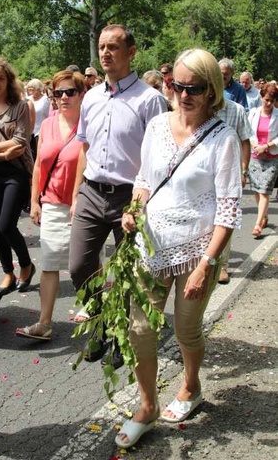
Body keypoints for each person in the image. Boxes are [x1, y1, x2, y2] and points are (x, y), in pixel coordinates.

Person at [116, 48, 242, 449]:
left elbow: (227, 210)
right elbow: (144, 179)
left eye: (195, 88)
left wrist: (207, 264)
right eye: (178, 85)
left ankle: (190, 386)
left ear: (212, 91)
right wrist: (133, 208)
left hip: (198, 248)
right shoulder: (155, 126)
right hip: (150, 243)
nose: (184, 94)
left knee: (186, 329)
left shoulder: (221, 138)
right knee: (139, 330)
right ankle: (148, 405)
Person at [69, 24, 168, 369]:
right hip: (92, 192)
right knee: (79, 265)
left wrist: (143, 204)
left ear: (131, 52)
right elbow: (85, 147)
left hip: (131, 196)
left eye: (113, 47)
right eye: (101, 46)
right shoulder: (91, 97)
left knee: (127, 274)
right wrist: (76, 193)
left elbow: (161, 157)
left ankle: (121, 334)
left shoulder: (150, 99)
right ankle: (99, 323)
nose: (106, 53)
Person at [16, 70, 84, 339]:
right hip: (53, 202)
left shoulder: (90, 123)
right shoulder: (47, 124)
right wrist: (34, 201)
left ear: (81, 94)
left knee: (86, 264)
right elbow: (38, 168)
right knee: (50, 262)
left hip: (85, 205)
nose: (64, 97)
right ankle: (44, 323)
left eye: (70, 92)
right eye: (58, 93)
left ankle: (95, 307)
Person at [0, 57, 35, 295]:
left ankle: (26, 265)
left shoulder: (20, 106)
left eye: (1, 78)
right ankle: (7, 273)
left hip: (16, 172)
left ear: (8, 80)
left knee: (5, 225)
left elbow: (21, 142)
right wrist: (3, 152)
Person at [216, 99, 252, 284]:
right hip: (204, 172)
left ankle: (222, 266)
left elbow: (245, 141)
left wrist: (244, 170)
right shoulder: (200, 104)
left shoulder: (236, 110)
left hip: (229, 173)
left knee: (225, 217)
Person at [247, 83, 278, 237]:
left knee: (265, 190)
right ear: (261, 97)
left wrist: (266, 146)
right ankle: (264, 215)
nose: (268, 104)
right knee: (257, 189)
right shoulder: (253, 113)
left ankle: (258, 224)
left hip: (271, 157)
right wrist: (255, 145)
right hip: (255, 156)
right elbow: (248, 131)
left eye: (271, 101)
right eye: (266, 100)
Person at [25, 79, 50, 160]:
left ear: (39, 89)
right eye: (29, 88)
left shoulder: (45, 100)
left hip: (40, 132)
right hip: (29, 132)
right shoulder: (27, 99)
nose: (30, 90)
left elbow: (48, 116)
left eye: (32, 88)